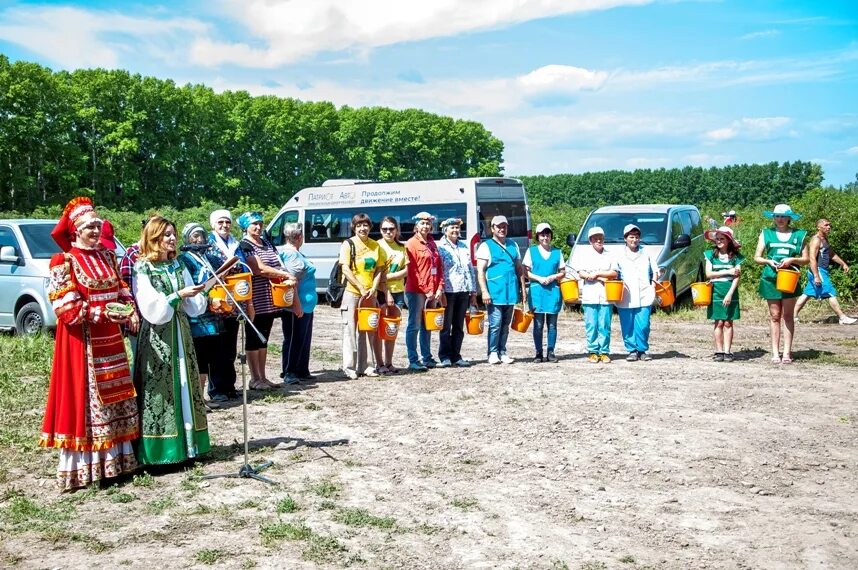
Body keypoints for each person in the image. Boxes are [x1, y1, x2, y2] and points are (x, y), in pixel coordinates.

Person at [39, 197, 139, 490]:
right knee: (91, 398)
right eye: (90, 227)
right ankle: (89, 468)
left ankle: (119, 462)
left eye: (98, 226)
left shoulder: (107, 257)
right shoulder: (64, 261)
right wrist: (101, 313)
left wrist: (129, 309)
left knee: (117, 392)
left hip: (112, 341)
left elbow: (122, 289)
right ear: (76, 231)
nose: (96, 231)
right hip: (83, 344)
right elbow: (65, 308)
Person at [132, 216, 210, 466]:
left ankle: (189, 447)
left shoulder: (178, 265)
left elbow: (193, 305)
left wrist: (199, 292)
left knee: (186, 383)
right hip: (158, 336)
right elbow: (150, 306)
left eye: (173, 234)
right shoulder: (143, 268)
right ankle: (160, 452)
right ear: (153, 238)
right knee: (160, 390)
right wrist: (176, 295)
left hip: (181, 330)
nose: (172, 238)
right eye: (166, 235)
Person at [237, 211, 298, 390]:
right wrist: (286, 274)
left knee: (264, 338)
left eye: (260, 223)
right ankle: (254, 378)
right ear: (245, 227)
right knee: (253, 338)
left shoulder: (266, 242)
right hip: (254, 297)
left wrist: (283, 275)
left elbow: (276, 262)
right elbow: (259, 269)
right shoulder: (245, 245)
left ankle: (263, 377)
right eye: (254, 224)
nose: (258, 227)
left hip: (270, 296)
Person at [178, 222, 232, 404]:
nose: (199, 239)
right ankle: (197, 399)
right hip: (197, 312)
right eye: (194, 236)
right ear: (187, 238)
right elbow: (191, 282)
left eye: (201, 235)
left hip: (213, 312)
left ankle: (207, 395)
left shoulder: (208, 256)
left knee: (212, 355)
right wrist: (207, 276)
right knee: (200, 357)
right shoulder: (185, 258)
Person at [754, 204, 809, 364]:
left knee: (788, 316)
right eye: (777, 216)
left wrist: (793, 260)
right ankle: (775, 353)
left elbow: (806, 259)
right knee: (775, 316)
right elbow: (757, 257)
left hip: (789, 278)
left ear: (789, 218)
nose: (780, 219)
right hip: (771, 278)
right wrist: (768, 261)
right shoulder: (766, 234)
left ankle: (787, 353)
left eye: (783, 216)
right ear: (773, 217)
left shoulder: (799, 235)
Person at [339, 213, 388, 379]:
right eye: (359, 225)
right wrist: (360, 287)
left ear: (370, 227)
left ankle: (366, 366)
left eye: (365, 225)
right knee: (350, 330)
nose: (362, 228)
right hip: (352, 292)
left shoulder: (376, 246)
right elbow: (345, 268)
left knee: (368, 330)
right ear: (354, 227)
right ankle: (349, 367)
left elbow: (379, 269)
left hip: (369, 294)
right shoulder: (348, 244)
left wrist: (373, 287)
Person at [476, 215, 526, 364]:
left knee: (505, 324)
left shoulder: (513, 245)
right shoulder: (485, 246)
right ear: (492, 228)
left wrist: (523, 289)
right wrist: (484, 291)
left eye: (504, 226)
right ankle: (492, 352)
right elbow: (480, 271)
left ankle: (502, 351)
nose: (502, 229)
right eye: (498, 226)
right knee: (495, 324)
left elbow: (519, 268)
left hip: (510, 291)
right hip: (494, 292)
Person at [566, 226, 618, 364]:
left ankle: (604, 351)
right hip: (590, 295)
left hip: (606, 296)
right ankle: (593, 351)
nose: (599, 240)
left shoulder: (610, 254)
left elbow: (614, 273)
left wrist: (597, 274)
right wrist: (591, 275)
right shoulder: (584, 255)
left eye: (601, 237)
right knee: (591, 324)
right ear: (590, 240)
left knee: (604, 325)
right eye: (595, 238)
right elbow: (580, 272)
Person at [207, 208, 242, 395]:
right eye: (220, 222)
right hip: (218, 299)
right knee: (217, 347)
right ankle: (217, 388)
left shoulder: (236, 243)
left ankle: (229, 385)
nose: (224, 225)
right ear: (213, 224)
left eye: (227, 222)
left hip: (235, 301)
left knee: (230, 347)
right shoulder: (208, 243)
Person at [794, 219, 856, 325]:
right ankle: (842, 317)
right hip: (817, 270)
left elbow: (831, 254)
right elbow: (812, 258)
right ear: (819, 227)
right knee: (830, 292)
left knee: (807, 294)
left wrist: (843, 263)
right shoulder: (816, 240)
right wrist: (816, 276)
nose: (829, 227)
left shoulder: (824, 239)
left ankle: (793, 316)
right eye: (826, 225)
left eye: (829, 225)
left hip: (822, 271)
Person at [615, 224, 662, 362]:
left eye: (636, 237)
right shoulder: (619, 255)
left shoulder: (647, 253)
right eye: (631, 237)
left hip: (644, 293)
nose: (634, 240)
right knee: (627, 324)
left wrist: (653, 285)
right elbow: (614, 272)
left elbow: (656, 271)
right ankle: (632, 350)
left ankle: (642, 350)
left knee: (643, 324)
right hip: (626, 294)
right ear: (625, 238)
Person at [405, 212, 444, 371]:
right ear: (416, 226)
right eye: (422, 223)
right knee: (414, 325)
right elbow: (412, 271)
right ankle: (413, 359)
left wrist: (439, 287)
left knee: (427, 325)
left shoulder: (432, 243)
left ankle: (427, 358)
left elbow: (439, 267)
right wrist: (427, 290)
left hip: (432, 291)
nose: (425, 226)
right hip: (416, 291)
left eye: (428, 224)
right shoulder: (411, 244)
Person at [437, 217, 477, 368]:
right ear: (445, 230)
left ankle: (456, 355)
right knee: (446, 326)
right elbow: (439, 270)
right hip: (448, 290)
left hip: (463, 291)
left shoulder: (464, 246)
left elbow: (470, 271)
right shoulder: (441, 247)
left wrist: (473, 292)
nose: (455, 230)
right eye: (451, 228)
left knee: (459, 326)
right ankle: (445, 356)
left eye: (457, 228)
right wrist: (440, 291)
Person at [522, 223, 565, 363]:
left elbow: (563, 272)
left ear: (551, 236)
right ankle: (538, 352)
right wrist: (539, 278)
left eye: (547, 234)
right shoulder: (531, 251)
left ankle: (551, 351)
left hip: (552, 290)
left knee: (552, 324)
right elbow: (525, 271)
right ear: (538, 237)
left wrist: (553, 277)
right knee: (538, 324)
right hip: (537, 291)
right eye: (542, 235)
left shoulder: (557, 252)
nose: (545, 237)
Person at [278, 222, 314, 383]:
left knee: (302, 338)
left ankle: (301, 369)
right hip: (296, 306)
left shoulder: (296, 253)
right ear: (299, 237)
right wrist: (296, 304)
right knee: (293, 338)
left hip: (306, 305)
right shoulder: (291, 255)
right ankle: (289, 371)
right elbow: (292, 282)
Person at [704, 226, 744, 362]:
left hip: (730, 290)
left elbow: (737, 276)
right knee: (718, 322)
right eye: (717, 239)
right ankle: (719, 351)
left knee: (728, 322)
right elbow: (708, 274)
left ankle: (727, 351)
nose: (719, 241)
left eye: (722, 238)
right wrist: (728, 272)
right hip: (715, 290)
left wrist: (730, 294)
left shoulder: (735, 257)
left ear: (728, 240)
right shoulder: (710, 255)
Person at [377, 216, 408, 373]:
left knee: (391, 329)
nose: (388, 232)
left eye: (391, 229)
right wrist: (386, 289)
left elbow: (407, 270)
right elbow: (378, 274)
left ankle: (389, 362)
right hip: (381, 292)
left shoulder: (402, 247)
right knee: (378, 328)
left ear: (397, 230)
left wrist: (390, 276)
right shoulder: (377, 246)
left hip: (398, 292)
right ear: (380, 230)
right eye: (385, 229)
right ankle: (379, 363)